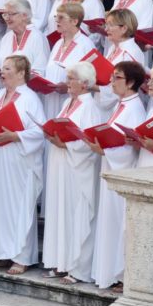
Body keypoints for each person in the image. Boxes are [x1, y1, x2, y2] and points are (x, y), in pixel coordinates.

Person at [0, 55, 47, 275]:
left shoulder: (30, 98)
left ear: (22, 73)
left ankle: (21, 256)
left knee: (16, 206)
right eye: (2, 68)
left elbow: (39, 132)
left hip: (17, 162)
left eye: (7, 68)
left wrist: (15, 135)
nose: (2, 72)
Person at [41, 62, 102, 284]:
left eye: (71, 78)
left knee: (75, 214)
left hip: (77, 168)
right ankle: (60, 262)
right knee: (60, 212)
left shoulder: (90, 108)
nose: (67, 82)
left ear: (84, 84)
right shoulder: (68, 102)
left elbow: (89, 143)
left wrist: (67, 144)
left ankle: (77, 268)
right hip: (60, 164)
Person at [89, 61, 146, 291]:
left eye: (117, 78)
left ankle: (122, 273)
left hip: (121, 171)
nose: (111, 82)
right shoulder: (122, 104)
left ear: (131, 82)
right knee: (110, 221)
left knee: (119, 222)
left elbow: (129, 144)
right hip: (111, 168)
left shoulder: (135, 107)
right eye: (111, 77)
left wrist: (105, 149)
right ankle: (108, 271)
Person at [44, 3, 96, 118]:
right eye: (56, 17)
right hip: (51, 100)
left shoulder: (86, 45)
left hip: (72, 102)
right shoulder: (58, 43)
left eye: (61, 17)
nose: (57, 21)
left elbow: (92, 80)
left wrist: (68, 87)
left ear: (74, 21)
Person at [97, 8, 144, 113]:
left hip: (122, 106)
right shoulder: (113, 48)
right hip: (109, 104)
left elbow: (125, 85)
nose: (106, 29)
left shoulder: (131, 51)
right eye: (106, 25)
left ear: (124, 28)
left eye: (110, 25)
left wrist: (94, 87)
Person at [0, 0, 51, 75]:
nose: (7, 18)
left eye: (11, 14)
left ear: (24, 15)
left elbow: (41, 71)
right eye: (5, 15)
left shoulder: (38, 38)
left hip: (27, 87)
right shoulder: (6, 38)